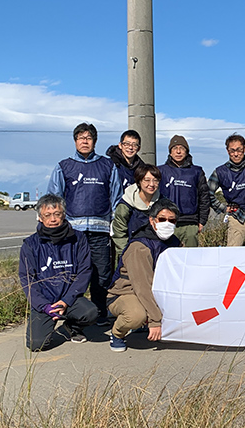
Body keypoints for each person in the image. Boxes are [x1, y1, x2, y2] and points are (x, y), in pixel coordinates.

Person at [47, 122, 123, 325]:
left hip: (100, 231)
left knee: (101, 274)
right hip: (73, 232)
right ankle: (73, 318)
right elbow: (54, 199)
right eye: (81, 138)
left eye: (88, 138)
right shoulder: (64, 166)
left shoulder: (107, 165)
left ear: (95, 141)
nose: (85, 141)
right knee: (71, 274)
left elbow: (116, 198)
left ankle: (100, 313)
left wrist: (115, 224)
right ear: (75, 141)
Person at [19, 194, 98, 351]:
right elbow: (27, 279)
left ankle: (71, 327)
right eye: (47, 215)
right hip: (45, 302)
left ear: (64, 214)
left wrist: (66, 301)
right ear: (40, 218)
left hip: (69, 299)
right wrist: (44, 306)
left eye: (57, 214)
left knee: (91, 312)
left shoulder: (78, 239)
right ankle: (46, 321)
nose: (53, 219)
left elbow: (84, 271)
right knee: (36, 345)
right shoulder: (30, 244)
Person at [107, 199, 183, 352]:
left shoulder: (175, 243)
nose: (167, 223)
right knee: (135, 315)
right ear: (152, 220)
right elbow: (143, 286)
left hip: (158, 289)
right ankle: (117, 333)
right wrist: (155, 321)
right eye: (162, 219)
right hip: (126, 292)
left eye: (171, 220)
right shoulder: (139, 247)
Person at [158, 135, 210, 247]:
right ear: (170, 152)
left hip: (190, 222)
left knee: (191, 258)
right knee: (169, 256)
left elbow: (204, 197)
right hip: (167, 222)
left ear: (186, 151)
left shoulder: (196, 171)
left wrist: (202, 221)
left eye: (181, 148)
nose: (178, 151)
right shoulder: (161, 171)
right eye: (175, 148)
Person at [112, 164, 162, 257]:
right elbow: (119, 231)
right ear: (139, 181)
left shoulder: (163, 203)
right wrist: (126, 253)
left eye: (155, 180)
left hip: (157, 251)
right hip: (131, 252)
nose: (151, 184)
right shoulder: (126, 204)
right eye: (147, 180)